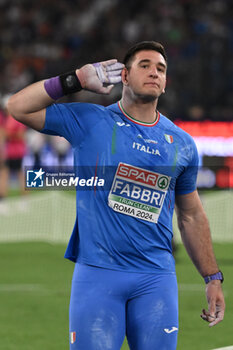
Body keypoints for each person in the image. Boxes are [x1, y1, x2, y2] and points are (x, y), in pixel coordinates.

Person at [7, 41, 225, 350]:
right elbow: (17, 107)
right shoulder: (90, 121)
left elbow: (190, 214)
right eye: (145, 66)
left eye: (161, 69)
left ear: (165, 84)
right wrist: (76, 80)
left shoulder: (182, 145)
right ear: (123, 76)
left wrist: (212, 277)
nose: (154, 73)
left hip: (156, 279)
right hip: (97, 275)